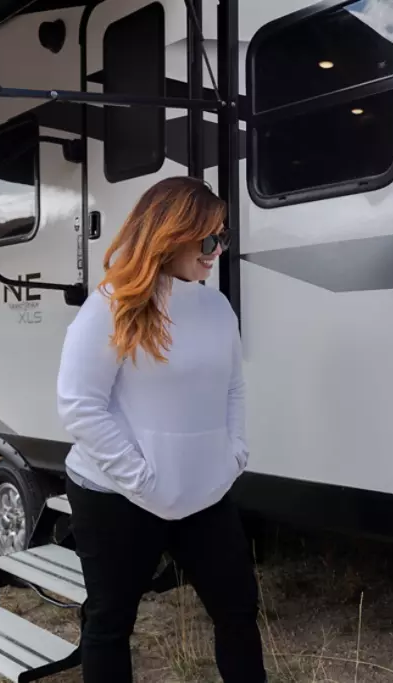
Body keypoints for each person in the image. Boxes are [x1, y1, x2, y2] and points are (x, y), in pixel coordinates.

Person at [56, 176, 265, 682]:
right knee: (110, 623)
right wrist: (142, 479)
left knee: (238, 610)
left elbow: (233, 388)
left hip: (204, 491)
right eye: (208, 239)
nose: (217, 250)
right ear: (169, 235)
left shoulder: (215, 307)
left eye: (224, 238)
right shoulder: (111, 305)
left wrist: (234, 453)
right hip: (116, 495)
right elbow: (79, 405)